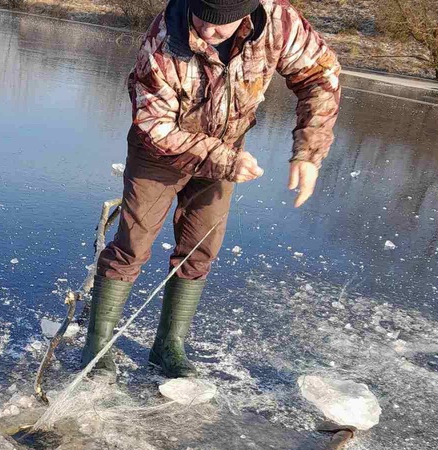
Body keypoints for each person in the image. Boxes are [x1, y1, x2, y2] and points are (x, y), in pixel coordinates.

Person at [82, 0, 341, 380]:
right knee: (132, 245)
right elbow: (155, 126)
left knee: (201, 249)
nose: (207, 31)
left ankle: (169, 346)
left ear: (246, 13)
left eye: (220, 25)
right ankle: (97, 346)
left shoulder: (279, 24)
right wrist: (224, 159)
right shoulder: (163, 40)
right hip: (159, 149)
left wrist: (309, 152)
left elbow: (321, 74)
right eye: (201, 18)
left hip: (227, 148)